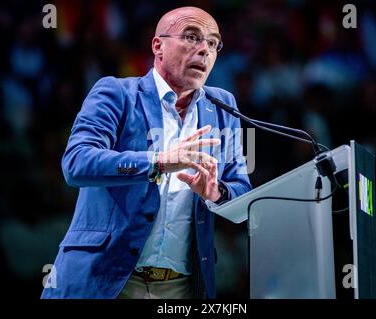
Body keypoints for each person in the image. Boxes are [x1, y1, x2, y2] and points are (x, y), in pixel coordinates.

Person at [41, 6, 251, 299]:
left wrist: (216, 192)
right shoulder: (116, 93)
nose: (205, 50)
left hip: (182, 287)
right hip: (107, 277)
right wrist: (158, 162)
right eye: (192, 37)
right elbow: (77, 162)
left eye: (213, 43)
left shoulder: (222, 106)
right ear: (158, 46)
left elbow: (242, 189)